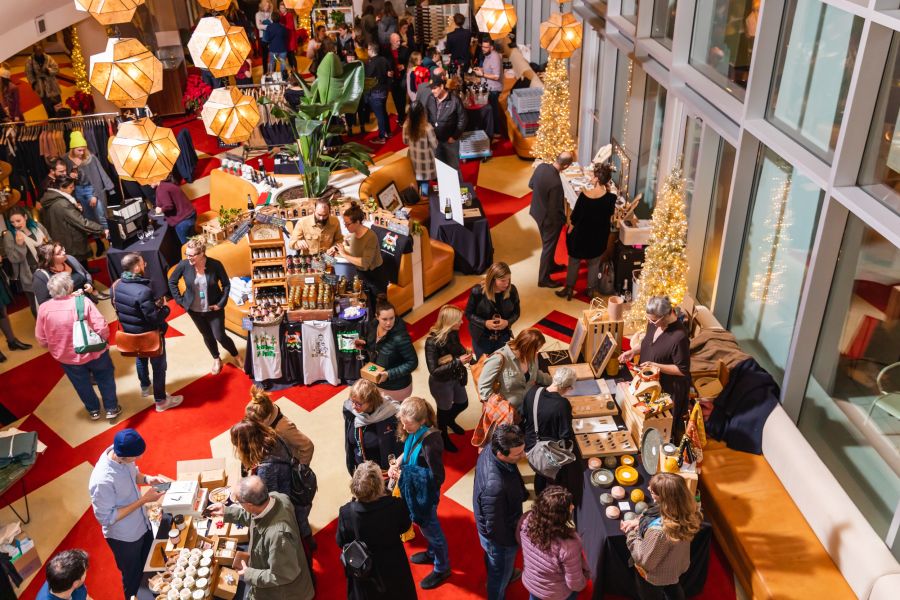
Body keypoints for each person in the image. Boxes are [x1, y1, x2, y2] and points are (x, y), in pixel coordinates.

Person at [88, 429, 168, 598]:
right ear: (123, 456)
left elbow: (134, 475)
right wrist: (143, 500)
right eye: (136, 456)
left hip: (142, 524)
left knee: (151, 565)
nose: (139, 459)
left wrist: (147, 479)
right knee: (133, 578)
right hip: (124, 538)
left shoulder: (119, 453)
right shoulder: (102, 480)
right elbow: (106, 518)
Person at [207, 476, 315, 600]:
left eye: (239, 502)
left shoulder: (278, 537)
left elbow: (283, 575)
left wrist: (249, 574)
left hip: (285, 593)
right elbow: (255, 517)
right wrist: (227, 512)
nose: (239, 505)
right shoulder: (277, 498)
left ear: (249, 505)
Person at [35, 272, 121, 420]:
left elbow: (41, 339)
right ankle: (111, 408)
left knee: (81, 384)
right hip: (94, 351)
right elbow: (101, 326)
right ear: (70, 287)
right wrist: (104, 339)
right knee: (104, 377)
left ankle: (93, 410)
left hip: (66, 356)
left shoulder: (43, 308)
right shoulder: (82, 302)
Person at [229, 419, 315, 565]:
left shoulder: (266, 469)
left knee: (298, 533)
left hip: (291, 503)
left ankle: (306, 556)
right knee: (302, 524)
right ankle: (309, 544)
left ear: (245, 444)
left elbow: (268, 502)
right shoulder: (272, 438)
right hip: (298, 490)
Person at [387, 397, 451, 589]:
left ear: (422, 421)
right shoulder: (417, 432)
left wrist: (405, 472)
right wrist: (398, 463)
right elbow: (409, 452)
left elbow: (438, 477)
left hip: (426, 497)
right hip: (416, 492)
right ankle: (431, 553)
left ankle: (442, 568)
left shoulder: (431, 442)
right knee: (426, 529)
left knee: (433, 531)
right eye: (402, 423)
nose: (404, 428)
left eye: (408, 424)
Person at [111, 253, 183, 412]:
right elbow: (154, 318)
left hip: (130, 333)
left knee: (140, 359)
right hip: (149, 335)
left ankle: (145, 387)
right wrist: (165, 308)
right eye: (143, 263)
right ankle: (161, 401)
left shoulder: (116, 286)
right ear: (136, 267)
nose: (145, 266)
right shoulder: (143, 291)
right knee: (159, 367)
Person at [337, 461, 416, 599]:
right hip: (393, 568)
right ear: (379, 486)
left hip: (364, 572)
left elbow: (341, 541)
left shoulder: (346, 513)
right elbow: (405, 526)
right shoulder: (394, 506)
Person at [619, 296, 691, 442]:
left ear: (667, 315)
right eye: (649, 319)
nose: (651, 323)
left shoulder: (680, 337)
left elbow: (682, 370)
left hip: (668, 387)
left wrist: (656, 366)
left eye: (654, 320)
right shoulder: (654, 322)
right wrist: (633, 351)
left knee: (661, 428)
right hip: (649, 380)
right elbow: (648, 342)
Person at [621, 472, 702, 600]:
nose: (648, 489)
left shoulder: (659, 532)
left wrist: (630, 533)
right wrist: (639, 521)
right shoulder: (687, 510)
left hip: (655, 577)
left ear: (664, 498)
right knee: (674, 588)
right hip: (674, 567)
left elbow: (644, 561)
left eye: (653, 492)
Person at [168, 238, 243, 375]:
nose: (188, 258)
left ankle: (236, 355)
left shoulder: (215, 265)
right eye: (187, 254)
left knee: (220, 336)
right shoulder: (184, 265)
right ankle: (216, 358)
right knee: (207, 335)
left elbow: (226, 285)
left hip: (214, 308)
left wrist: (221, 304)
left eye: (192, 255)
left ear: (202, 253)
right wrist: (180, 301)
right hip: (194, 310)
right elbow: (172, 281)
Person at [473, 424, 528, 600]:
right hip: (500, 539)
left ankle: (507, 572)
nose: (523, 456)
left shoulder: (492, 448)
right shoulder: (494, 486)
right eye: (518, 454)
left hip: (498, 523)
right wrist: (512, 542)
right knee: (498, 575)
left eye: (523, 450)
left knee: (496, 564)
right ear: (500, 454)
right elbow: (495, 527)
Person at [557, 163, 618, 300]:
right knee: (594, 263)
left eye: (592, 175)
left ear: (596, 179)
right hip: (598, 236)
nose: (590, 177)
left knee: (574, 261)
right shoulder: (611, 199)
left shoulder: (584, 196)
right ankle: (591, 290)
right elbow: (609, 215)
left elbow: (575, 217)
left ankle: (569, 288)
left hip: (581, 236)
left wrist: (570, 230)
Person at [518, 486, 591, 600]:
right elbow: (574, 584)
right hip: (556, 594)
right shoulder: (569, 545)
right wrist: (585, 579)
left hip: (532, 583)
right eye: (569, 506)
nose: (572, 506)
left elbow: (519, 540)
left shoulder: (526, 519)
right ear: (559, 516)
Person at [522, 367, 580, 497]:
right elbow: (565, 435)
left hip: (530, 446)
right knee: (551, 479)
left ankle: (539, 496)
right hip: (548, 452)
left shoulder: (533, 392)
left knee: (540, 474)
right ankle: (549, 502)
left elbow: (524, 414)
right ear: (568, 387)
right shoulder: (562, 404)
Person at [424, 305, 471, 452]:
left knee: (463, 403)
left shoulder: (453, 332)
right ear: (450, 322)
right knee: (443, 411)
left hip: (455, 376)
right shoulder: (431, 342)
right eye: (459, 320)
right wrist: (458, 362)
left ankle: (449, 420)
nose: (462, 323)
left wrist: (467, 355)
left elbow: (457, 349)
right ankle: (443, 435)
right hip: (441, 383)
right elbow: (434, 371)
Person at [358, 296, 418, 402]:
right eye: (384, 319)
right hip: (376, 381)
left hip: (396, 388)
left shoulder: (401, 337)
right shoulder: (373, 325)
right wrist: (363, 344)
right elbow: (373, 345)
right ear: (377, 317)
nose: (389, 323)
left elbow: (412, 362)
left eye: (392, 318)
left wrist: (389, 374)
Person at [39, 176, 105, 272]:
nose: (73, 189)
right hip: (71, 240)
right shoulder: (62, 203)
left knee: (76, 266)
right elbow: (82, 222)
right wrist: (102, 229)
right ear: (62, 188)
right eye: (71, 187)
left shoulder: (49, 200)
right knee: (79, 267)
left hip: (61, 237)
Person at [528, 152, 574, 288]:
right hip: (548, 220)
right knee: (548, 247)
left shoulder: (541, 167)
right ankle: (543, 279)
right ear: (565, 166)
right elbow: (554, 210)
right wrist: (563, 221)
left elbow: (531, 184)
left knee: (548, 245)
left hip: (537, 212)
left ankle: (551, 265)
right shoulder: (556, 184)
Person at [478, 327, 550, 412]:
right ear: (527, 348)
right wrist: (504, 409)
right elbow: (484, 390)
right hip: (508, 413)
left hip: (528, 406)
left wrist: (556, 382)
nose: (537, 352)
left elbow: (536, 374)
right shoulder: (498, 359)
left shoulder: (531, 356)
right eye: (536, 349)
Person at [342, 378, 404, 475]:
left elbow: (400, 446)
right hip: (361, 469)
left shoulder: (391, 415)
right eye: (352, 401)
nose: (353, 406)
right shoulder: (351, 413)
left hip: (383, 472)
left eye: (358, 403)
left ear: (371, 401)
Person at [246, 385, 315, 465]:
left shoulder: (284, 428)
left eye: (257, 422)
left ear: (267, 417)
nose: (253, 424)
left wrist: (302, 469)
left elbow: (307, 446)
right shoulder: (256, 407)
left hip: (286, 464)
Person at [65, 132, 114, 243]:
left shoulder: (91, 158)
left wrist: (95, 195)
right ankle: (98, 242)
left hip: (92, 189)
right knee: (88, 218)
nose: (82, 153)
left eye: (83, 149)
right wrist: (69, 176)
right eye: (79, 150)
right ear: (72, 149)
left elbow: (100, 176)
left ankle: (110, 239)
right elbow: (62, 178)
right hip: (77, 191)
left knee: (101, 216)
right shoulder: (66, 160)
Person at [465, 261, 520, 358]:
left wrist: (507, 322)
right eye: (503, 280)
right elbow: (468, 314)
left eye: (508, 279)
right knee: (484, 367)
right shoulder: (477, 292)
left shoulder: (512, 290)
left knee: (501, 365)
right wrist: (485, 323)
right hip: (482, 337)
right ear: (493, 279)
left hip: (502, 337)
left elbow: (516, 313)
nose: (507, 284)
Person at [3, 205, 49, 316]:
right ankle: (43, 330)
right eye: (12, 222)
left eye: (18, 220)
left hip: (47, 267)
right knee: (37, 305)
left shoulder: (37, 227)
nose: (16, 225)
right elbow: (13, 259)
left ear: (25, 217)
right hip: (29, 275)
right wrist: (19, 245)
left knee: (54, 299)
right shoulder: (10, 235)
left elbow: (50, 243)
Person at [337, 204, 388, 302]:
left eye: (348, 224)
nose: (346, 227)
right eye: (345, 224)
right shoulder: (353, 234)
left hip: (375, 276)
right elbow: (355, 252)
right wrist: (340, 249)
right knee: (367, 303)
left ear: (357, 222)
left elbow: (365, 263)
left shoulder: (370, 237)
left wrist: (344, 254)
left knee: (380, 305)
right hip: (362, 275)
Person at [32, 241, 101, 306]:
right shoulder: (40, 276)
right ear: (50, 258)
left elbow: (86, 274)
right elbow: (44, 303)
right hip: (66, 312)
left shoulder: (70, 259)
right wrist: (69, 298)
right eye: (59, 253)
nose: (63, 252)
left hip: (87, 303)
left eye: (62, 249)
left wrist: (88, 283)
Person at [423, 74, 466, 172]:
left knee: (454, 168)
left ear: (442, 86)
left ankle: (456, 186)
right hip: (435, 141)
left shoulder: (455, 100)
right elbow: (426, 115)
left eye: (434, 88)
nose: (432, 91)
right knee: (440, 167)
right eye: (431, 88)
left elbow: (463, 119)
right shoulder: (430, 98)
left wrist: (455, 136)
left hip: (450, 141)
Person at [402, 101, 439, 196]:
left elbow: (405, 142)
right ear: (422, 113)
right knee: (424, 185)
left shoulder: (406, 125)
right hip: (425, 163)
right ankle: (424, 204)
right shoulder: (427, 128)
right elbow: (435, 144)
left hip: (413, 160)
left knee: (415, 183)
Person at [473, 37, 503, 140]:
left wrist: (482, 74)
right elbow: (487, 69)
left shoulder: (494, 57)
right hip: (488, 86)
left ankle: (497, 132)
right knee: (491, 110)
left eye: (486, 47)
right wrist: (480, 69)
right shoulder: (487, 55)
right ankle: (493, 131)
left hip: (493, 89)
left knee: (493, 111)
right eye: (482, 47)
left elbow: (496, 76)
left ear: (492, 47)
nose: (483, 49)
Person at [151, 177, 197, 244]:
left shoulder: (161, 189)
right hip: (190, 215)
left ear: (155, 178)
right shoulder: (169, 183)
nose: (147, 183)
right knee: (196, 243)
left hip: (183, 221)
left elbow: (169, 206)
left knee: (188, 247)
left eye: (148, 180)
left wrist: (160, 209)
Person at [364, 43, 392, 143]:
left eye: (368, 49)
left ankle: (381, 137)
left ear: (371, 50)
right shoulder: (384, 60)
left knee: (379, 116)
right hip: (384, 91)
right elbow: (390, 74)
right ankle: (388, 132)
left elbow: (367, 79)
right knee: (383, 112)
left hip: (375, 92)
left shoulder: (370, 63)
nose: (367, 51)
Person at [24, 43, 61, 118]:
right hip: (41, 87)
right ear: (34, 51)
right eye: (37, 50)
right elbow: (28, 73)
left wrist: (48, 71)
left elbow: (56, 69)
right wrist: (34, 84)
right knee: (48, 108)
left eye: (40, 50)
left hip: (52, 85)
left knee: (58, 106)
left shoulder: (48, 58)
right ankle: (53, 122)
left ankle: (62, 120)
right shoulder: (30, 60)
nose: (39, 52)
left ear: (42, 49)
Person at [387, 33, 410, 125]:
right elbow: (383, 63)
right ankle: (401, 114)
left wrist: (404, 66)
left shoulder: (405, 50)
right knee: (395, 98)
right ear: (391, 41)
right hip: (392, 78)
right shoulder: (386, 51)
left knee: (402, 97)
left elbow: (410, 62)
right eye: (396, 41)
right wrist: (387, 72)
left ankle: (401, 117)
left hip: (403, 76)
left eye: (399, 40)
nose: (399, 43)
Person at [279, 2, 299, 71]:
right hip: (285, 39)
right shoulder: (280, 15)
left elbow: (291, 27)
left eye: (283, 8)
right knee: (287, 56)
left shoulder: (289, 15)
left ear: (286, 9)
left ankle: (296, 71)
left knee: (291, 56)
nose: (281, 9)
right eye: (280, 8)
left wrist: (282, 25)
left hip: (290, 38)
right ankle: (292, 71)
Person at [256, 0, 274, 72]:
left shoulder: (271, 13)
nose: (268, 6)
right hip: (263, 37)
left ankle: (272, 71)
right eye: (266, 5)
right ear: (262, 5)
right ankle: (265, 71)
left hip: (271, 37)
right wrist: (268, 26)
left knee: (272, 55)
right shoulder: (258, 14)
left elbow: (273, 24)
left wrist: (264, 25)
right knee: (265, 56)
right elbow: (259, 26)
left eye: (268, 5)